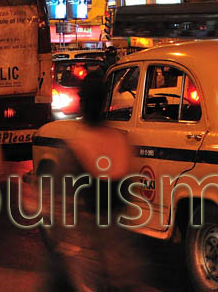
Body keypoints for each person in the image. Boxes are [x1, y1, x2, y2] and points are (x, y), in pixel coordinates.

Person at [45, 70, 144, 292]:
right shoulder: (120, 142)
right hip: (120, 256)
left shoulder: (75, 148)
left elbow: (59, 208)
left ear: (82, 104)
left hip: (86, 260)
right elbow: (128, 197)